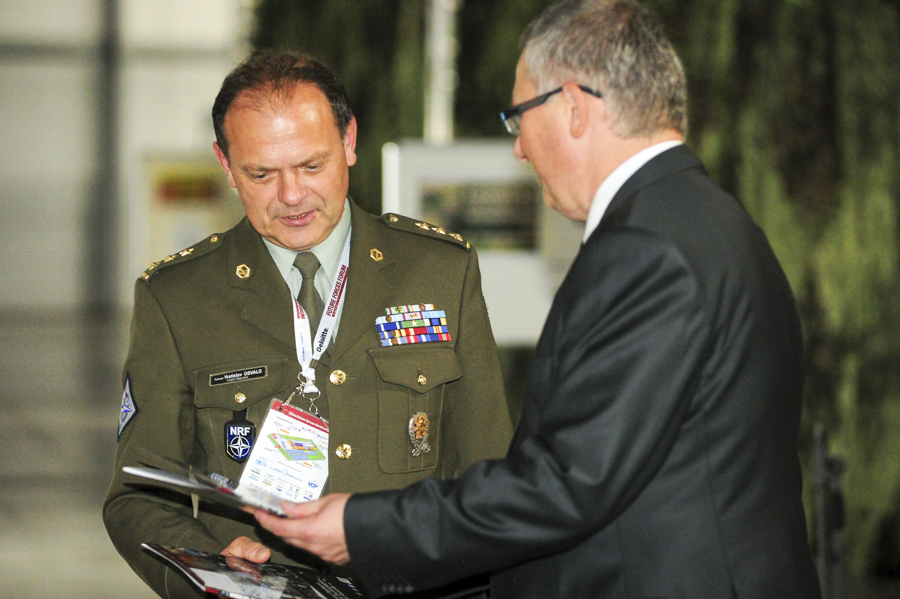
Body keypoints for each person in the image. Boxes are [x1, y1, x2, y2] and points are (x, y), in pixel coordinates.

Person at [253, 2, 824, 598]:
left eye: (518, 117)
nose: (520, 150)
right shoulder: (711, 221)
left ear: (573, 107)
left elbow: (567, 482)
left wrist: (361, 528)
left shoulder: (645, 250)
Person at [103, 49, 512, 598]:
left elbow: (489, 479)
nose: (292, 195)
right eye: (261, 174)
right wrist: (209, 566)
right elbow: (136, 496)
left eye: (311, 166)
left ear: (349, 141)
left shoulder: (439, 272)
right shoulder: (178, 298)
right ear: (225, 165)